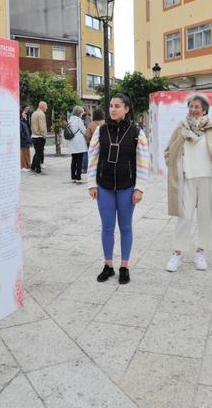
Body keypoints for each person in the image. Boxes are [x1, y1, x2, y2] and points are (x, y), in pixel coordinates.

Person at [163, 94, 212, 272]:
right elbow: (168, 150)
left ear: (204, 110)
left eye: (197, 106)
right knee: (184, 216)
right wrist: (174, 167)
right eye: (191, 106)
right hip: (186, 179)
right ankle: (177, 253)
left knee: (205, 217)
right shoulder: (181, 128)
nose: (193, 109)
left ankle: (200, 253)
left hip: (208, 179)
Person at [87, 94, 149, 285]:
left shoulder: (137, 132)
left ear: (127, 109)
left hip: (126, 187)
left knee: (125, 227)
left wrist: (139, 188)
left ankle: (124, 266)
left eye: (117, 106)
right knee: (107, 227)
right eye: (111, 106)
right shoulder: (100, 131)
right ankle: (108, 265)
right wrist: (92, 183)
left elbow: (143, 162)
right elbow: (93, 157)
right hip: (104, 186)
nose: (113, 109)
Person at [66, 106, 88, 182]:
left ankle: (73, 177)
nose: (82, 113)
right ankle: (78, 177)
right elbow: (84, 131)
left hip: (72, 142)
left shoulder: (70, 120)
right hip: (79, 143)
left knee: (74, 160)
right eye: (82, 112)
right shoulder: (79, 120)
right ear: (79, 113)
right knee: (79, 160)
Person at [30, 101, 48, 174]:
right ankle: (38, 169)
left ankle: (33, 166)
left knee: (37, 152)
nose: (47, 108)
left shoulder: (34, 113)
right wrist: (44, 135)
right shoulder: (41, 114)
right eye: (46, 106)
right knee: (39, 153)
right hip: (39, 136)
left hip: (34, 135)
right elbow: (42, 126)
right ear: (42, 106)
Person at [19, 106, 32, 171]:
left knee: (27, 153)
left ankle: (28, 165)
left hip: (27, 139)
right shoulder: (20, 121)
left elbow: (28, 129)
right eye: (24, 113)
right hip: (23, 140)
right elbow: (21, 132)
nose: (25, 114)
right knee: (24, 154)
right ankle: (23, 166)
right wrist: (24, 137)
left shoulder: (26, 121)